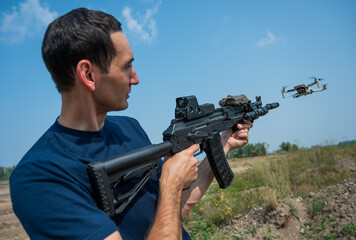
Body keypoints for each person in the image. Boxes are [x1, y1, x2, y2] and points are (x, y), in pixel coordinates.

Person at [10, 8, 253, 240]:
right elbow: (169, 197)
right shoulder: (40, 176)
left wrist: (221, 145)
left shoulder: (129, 128)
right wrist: (170, 185)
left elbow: (170, 214)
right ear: (88, 75)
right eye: (126, 67)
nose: (136, 78)